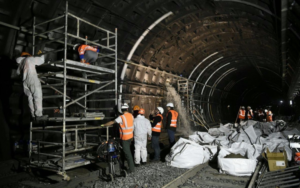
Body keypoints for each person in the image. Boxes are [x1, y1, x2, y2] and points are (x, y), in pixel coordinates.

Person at [102, 103, 135, 173]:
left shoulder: (121, 117)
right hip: (130, 136)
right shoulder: (131, 115)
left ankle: (132, 169)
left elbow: (112, 122)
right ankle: (123, 164)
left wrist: (104, 124)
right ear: (127, 109)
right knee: (126, 151)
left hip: (125, 138)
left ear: (121, 110)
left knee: (127, 153)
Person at [16, 52, 48, 121]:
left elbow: (18, 72)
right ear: (28, 55)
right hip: (32, 79)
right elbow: (41, 61)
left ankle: (33, 115)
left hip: (25, 82)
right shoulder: (29, 59)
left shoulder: (21, 63)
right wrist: (42, 54)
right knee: (37, 96)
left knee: (30, 98)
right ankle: (39, 115)